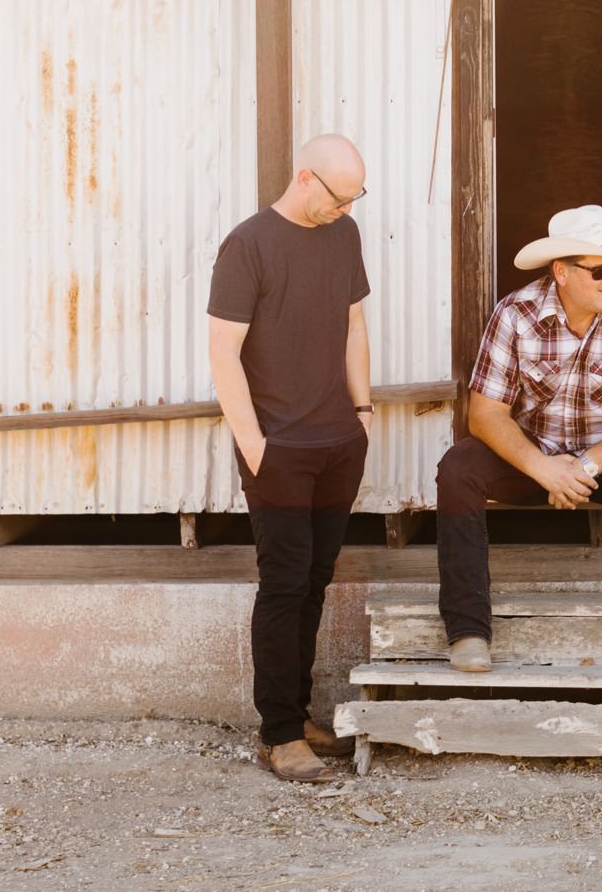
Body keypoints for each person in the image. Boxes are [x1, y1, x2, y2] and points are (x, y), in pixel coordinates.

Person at [435, 205, 602, 676]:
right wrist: (542, 467)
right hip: (533, 461)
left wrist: (585, 467)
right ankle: (468, 630)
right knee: (458, 468)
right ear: (561, 272)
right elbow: (485, 414)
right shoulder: (516, 314)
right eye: (599, 270)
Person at [207, 134, 373, 783]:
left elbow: (355, 325)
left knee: (315, 579)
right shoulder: (248, 245)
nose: (347, 210)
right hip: (278, 448)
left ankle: (297, 712)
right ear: (305, 178)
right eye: (339, 197)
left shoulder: (344, 235)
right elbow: (224, 353)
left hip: (338, 444)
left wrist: (362, 414)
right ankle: (278, 732)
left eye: (357, 199)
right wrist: (255, 445)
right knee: (283, 582)